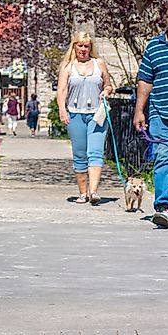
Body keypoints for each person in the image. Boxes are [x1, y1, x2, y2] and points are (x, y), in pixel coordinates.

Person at [134, 2, 168, 228]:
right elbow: (145, 80)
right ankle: (164, 207)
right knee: (165, 159)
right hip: (162, 114)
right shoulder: (154, 46)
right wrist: (139, 111)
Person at [57, 31, 112, 205]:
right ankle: (82, 193)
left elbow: (108, 84)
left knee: (95, 153)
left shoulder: (99, 64)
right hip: (75, 114)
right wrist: (62, 110)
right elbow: (61, 91)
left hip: (97, 115)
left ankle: (94, 192)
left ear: (90, 48)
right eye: (80, 45)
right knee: (80, 155)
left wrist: (106, 91)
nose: (83, 49)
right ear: (74, 46)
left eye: (86, 46)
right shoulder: (68, 67)